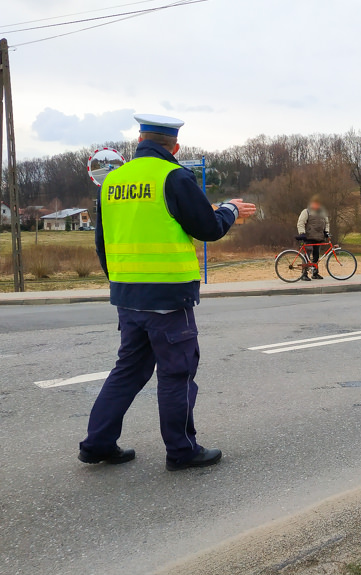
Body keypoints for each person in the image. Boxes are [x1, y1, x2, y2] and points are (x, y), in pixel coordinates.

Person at [79, 113, 256, 472]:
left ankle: (97, 443)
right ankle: (182, 450)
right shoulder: (174, 176)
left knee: (127, 371)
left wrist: (120, 283)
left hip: (128, 295)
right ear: (175, 146)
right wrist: (230, 210)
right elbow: (207, 228)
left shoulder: (112, 181)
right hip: (169, 297)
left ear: (139, 140)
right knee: (176, 373)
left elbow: (102, 243)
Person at [296, 195, 330, 281]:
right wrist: (302, 233)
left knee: (316, 256)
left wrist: (326, 232)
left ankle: (315, 273)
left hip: (318, 237)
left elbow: (327, 223)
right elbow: (300, 223)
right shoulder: (306, 212)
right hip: (308, 237)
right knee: (306, 255)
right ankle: (304, 274)